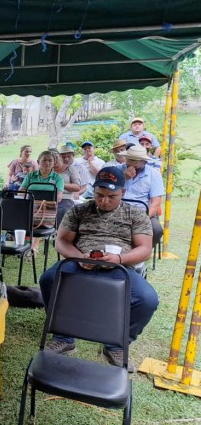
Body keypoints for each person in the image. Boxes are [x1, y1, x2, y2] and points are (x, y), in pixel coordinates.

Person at [40, 167, 159, 370]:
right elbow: (61, 241)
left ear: (123, 192)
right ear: (93, 192)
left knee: (147, 300)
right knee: (49, 280)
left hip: (119, 268)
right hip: (81, 262)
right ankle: (64, 336)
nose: (104, 201)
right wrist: (78, 257)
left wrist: (119, 258)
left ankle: (117, 344)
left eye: (111, 196)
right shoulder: (79, 210)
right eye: (99, 195)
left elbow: (145, 249)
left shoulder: (135, 214)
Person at [118, 145, 165, 246]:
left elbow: (156, 203)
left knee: (156, 230)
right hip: (117, 210)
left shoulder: (153, 174)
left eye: (136, 162)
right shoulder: (117, 171)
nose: (132, 164)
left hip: (143, 212)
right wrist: (123, 177)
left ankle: (142, 253)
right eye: (129, 160)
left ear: (144, 161)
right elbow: (106, 193)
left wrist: (144, 218)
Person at [20, 151, 65, 254]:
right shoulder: (30, 176)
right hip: (30, 207)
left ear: (53, 163)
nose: (47, 163)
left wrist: (43, 203)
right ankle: (26, 245)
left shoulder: (58, 178)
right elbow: (21, 191)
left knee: (38, 217)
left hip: (48, 210)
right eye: (44, 160)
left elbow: (59, 197)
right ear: (38, 162)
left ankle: (33, 247)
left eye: (50, 161)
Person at [54, 145, 84, 226]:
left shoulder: (71, 169)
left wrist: (60, 184)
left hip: (65, 198)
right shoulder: (48, 168)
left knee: (62, 210)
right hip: (47, 198)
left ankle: (60, 234)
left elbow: (78, 187)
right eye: (63, 157)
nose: (66, 159)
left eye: (69, 156)